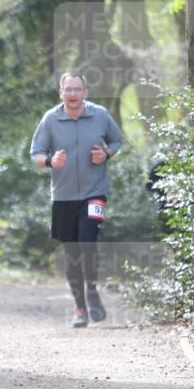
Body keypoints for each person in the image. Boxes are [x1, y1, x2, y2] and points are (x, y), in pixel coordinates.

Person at [30, 72, 122, 328]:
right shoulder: (50, 119)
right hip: (63, 197)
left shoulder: (100, 115)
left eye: (77, 89)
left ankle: (92, 290)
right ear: (60, 93)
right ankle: (80, 308)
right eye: (67, 89)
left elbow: (116, 141)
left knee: (87, 241)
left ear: (85, 92)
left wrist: (106, 154)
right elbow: (35, 155)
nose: (72, 94)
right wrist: (50, 161)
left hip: (95, 192)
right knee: (71, 252)